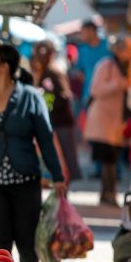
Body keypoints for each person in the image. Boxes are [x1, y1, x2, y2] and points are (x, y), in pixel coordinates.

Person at [0, 43, 67, 262]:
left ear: (5, 67)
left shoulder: (30, 97)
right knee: (0, 244)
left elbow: (45, 138)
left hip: (26, 181)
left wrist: (57, 176)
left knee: (27, 242)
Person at [85, 35, 131, 206]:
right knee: (107, 158)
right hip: (104, 119)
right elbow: (95, 89)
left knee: (113, 157)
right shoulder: (106, 65)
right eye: (128, 49)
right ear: (119, 50)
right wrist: (118, 85)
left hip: (120, 120)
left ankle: (109, 193)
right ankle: (107, 193)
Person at [31, 40, 82, 181]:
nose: (41, 57)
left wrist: (48, 104)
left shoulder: (54, 72)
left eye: (44, 53)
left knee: (66, 159)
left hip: (61, 122)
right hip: (54, 122)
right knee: (58, 161)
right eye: (38, 53)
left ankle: (65, 195)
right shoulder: (44, 71)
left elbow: (64, 95)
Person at [73, 19, 110, 117]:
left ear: (91, 31)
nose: (81, 35)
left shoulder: (108, 47)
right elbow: (80, 71)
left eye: (83, 32)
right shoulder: (82, 50)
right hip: (88, 96)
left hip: (107, 96)